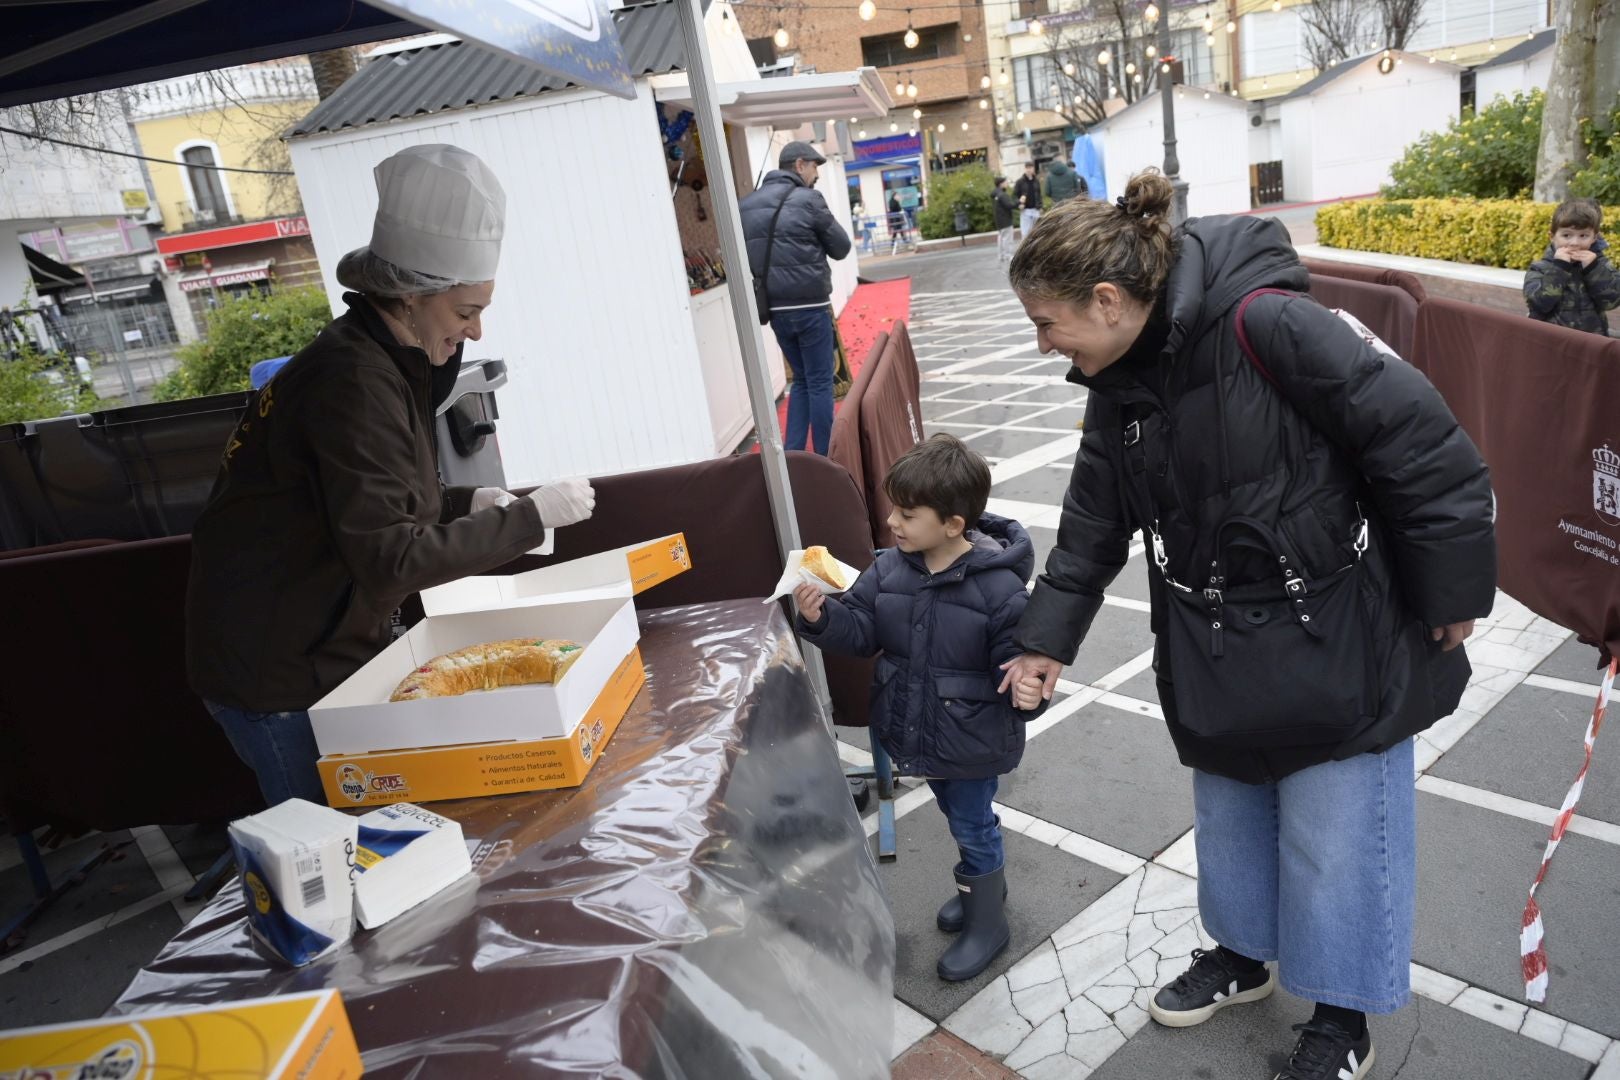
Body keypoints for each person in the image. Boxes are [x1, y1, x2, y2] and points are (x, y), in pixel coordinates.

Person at [999, 171, 1496, 1080]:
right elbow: (1092, 520)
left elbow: (1425, 445)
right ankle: (1241, 955)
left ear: (1108, 300)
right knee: (1231, 812)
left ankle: (1341, 1017)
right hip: (1212, 633)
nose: (1044, 346)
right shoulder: (1116, 377)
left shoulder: (1271, 323)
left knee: (1339, 828)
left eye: (1047, 322)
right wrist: (1045, 639)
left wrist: (1450, 593)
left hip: (1336, 625)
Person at [186, 145, 597, 806]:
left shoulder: (388, 355)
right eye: (466, 312)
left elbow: (376, 496)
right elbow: (389, 557)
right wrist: (527, 517)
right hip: (280, 671)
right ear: (410, 294)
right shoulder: (351, 379)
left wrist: (465, 502)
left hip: (322, 645)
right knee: (339, 859)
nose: (477, 329)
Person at [794, 434, 1046, 982]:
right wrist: (819, 619)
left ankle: (988, 920)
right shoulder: (890, 570)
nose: (892, 522)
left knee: (972, 822)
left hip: (971, 739)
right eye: (894, 509)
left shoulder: (999, 590)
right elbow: (861, 629)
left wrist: (1029, 693)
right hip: (915, 731)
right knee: (961, 817)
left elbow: (1018, 668)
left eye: (907, 514)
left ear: (953, 524)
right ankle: (984, 890)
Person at [740, 140, 851, 455]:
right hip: (811, 307)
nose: (816, 174)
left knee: (801, 381)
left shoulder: (745, 205)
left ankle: (794, 454)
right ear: (800, 164)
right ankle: (825, 456)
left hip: (775, 309)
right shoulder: (809, 200)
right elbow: (841, 248)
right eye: (814, 166)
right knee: (820, 382)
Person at [1525, 197, 1620, 336]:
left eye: (1583, 235)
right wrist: (1559, 268)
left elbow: (1611, 303)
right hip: (1550, 342)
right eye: (1566, 235)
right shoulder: (1540, 268)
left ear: (1594, 238)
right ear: (1552, 236)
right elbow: (1538, 305)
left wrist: (1593, 269)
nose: (1574, 242)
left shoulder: (1602, 265)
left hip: (1591, 343)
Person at [992, 177, 1019, 267]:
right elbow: (1009, 205)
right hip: (1006, 220)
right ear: (1001, 184)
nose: (1007, 183)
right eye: (1005, 182)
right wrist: (1019, 202)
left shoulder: (995, 194)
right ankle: (1008, 255)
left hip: (999, 221)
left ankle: (1001, 255)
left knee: (1001, 238)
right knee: (1007, 239)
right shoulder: (1002, 195)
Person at [1013, 161, 1042, 241]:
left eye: (1031, 168)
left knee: (1037, 232)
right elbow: (1014, 195)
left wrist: (1040, 206)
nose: (1029, 170)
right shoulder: (1020, 182)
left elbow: (1039, 194)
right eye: (1027, 168)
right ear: (1025, 169)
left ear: (1033, 169)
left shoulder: (1036, 181)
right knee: (1025, 233)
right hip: (1025, 210)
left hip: (1036, 209)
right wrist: (1019, 204)